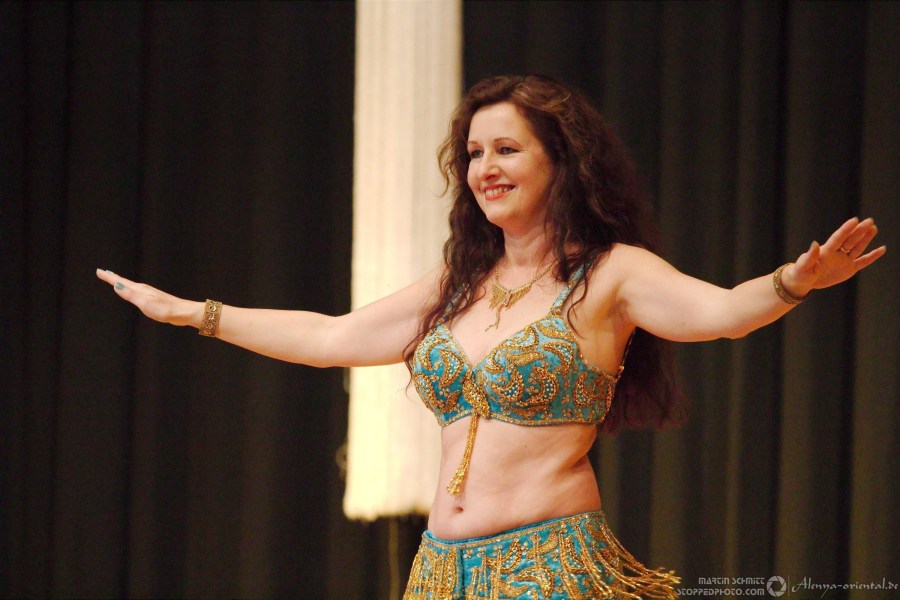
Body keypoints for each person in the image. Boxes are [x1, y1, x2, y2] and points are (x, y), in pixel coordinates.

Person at [96, 75, 885, 599]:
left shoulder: (610, 275)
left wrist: (794, 281)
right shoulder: (457, 281)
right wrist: (194, 313)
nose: (484, 168)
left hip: (550, 566)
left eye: (506, 149)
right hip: (440, 574)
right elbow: (334, 337)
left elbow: (721, 313)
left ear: (560, 161)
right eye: (474, 153)